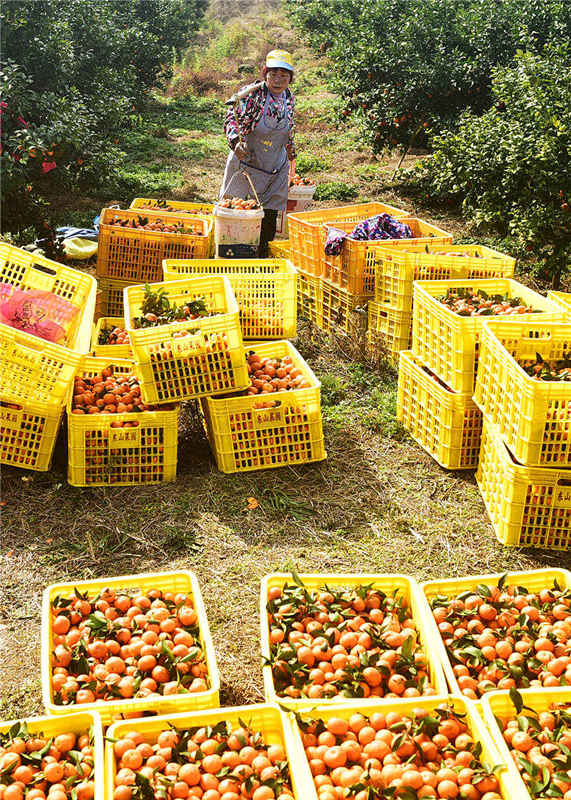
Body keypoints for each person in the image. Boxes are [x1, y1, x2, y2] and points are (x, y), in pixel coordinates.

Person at [220, 50, 295, 257]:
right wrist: (235, 142)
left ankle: (262, 257)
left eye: (284, 75)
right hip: (247, 162)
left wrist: (290, 145)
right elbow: (231, 118)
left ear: (290, 78)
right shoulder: (252, 94)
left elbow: (289, 126)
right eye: (273, 74)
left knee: (269, 214)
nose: (278, 80)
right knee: (238, 211)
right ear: (265, 74)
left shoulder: (288, 98)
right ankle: (234, 255)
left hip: (275, 165)